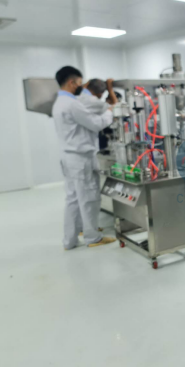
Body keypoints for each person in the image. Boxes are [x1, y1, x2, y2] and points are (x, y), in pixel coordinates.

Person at [52, 66, 116, 250]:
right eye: (80, 83)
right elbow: (96, 124)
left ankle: (70, 240)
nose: (81, 87)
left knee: (72, 199)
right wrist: (110, 110)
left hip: (68, 156)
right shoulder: (72, 104)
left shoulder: (59, 102)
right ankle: (92, 237)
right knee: (89, 197)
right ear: (72, 82)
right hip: (81, 158)